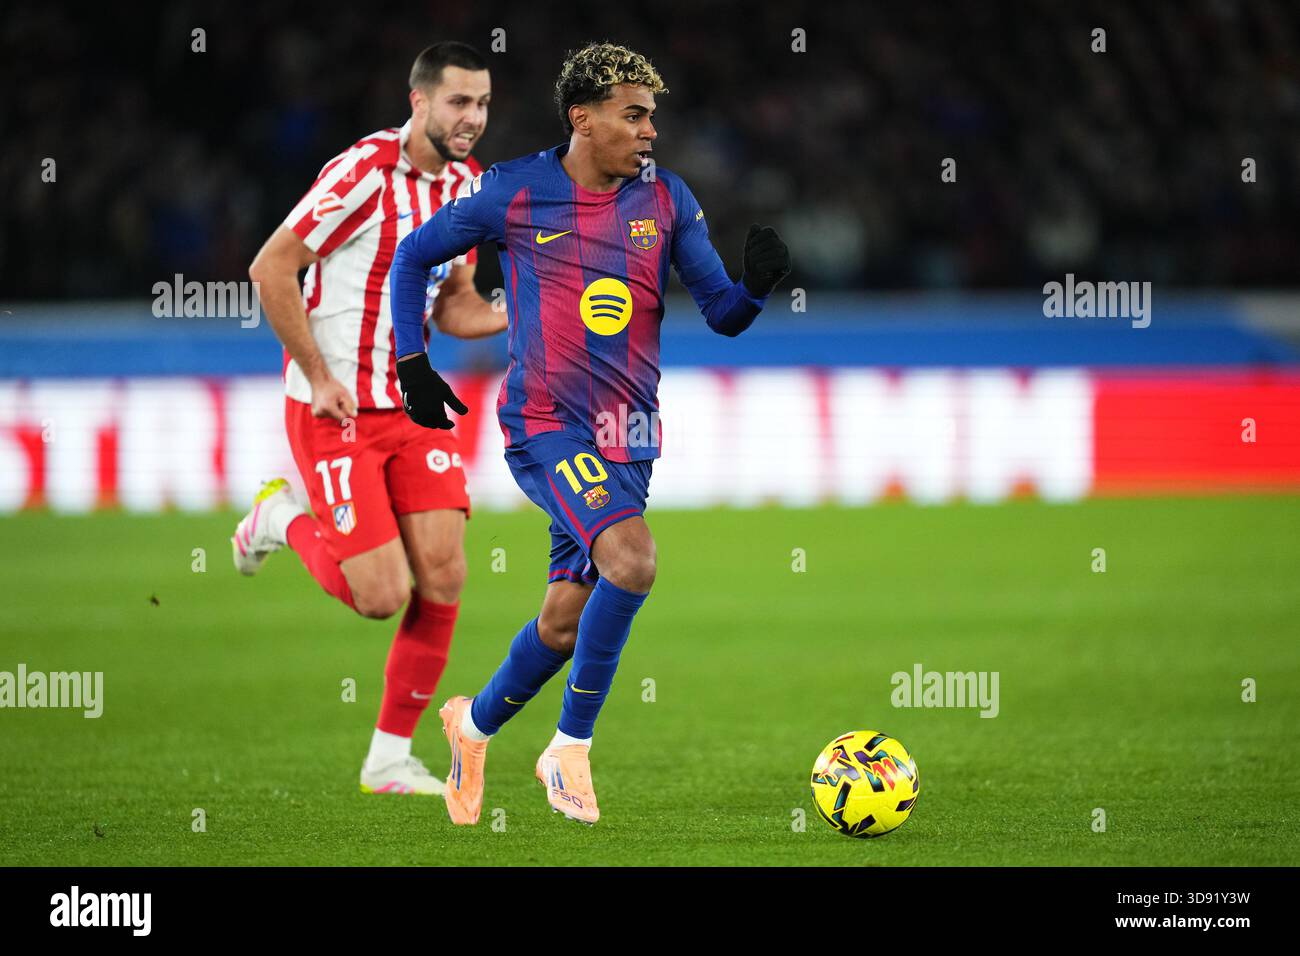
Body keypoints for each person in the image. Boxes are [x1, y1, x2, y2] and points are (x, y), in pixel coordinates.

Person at [389, 41, 791, 825]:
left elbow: (724, 316)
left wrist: (758, 285)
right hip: (546, 425)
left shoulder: (667, 200)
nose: (649, 132)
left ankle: (469, 728)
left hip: (630, 436)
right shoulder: (512, 191)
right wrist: (413, 362)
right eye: (633, 116)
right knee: (633, 561)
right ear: (583, 117)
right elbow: (413, 257)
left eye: (652, 118)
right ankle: (569, 746)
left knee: (564, 623)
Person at [232, 42, 504, 796]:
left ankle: (388, 759)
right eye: (458, 102)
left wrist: (532, 313)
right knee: (380, 596)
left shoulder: (470, 186)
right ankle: (278, 515)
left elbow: (453, 306)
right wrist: (318, 376)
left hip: (414, 402)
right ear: (418, 102)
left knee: (445, 574)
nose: (473, 118)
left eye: (482, 103)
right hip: (337, 408)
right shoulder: (362, 173)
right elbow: (271, 266)